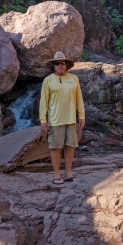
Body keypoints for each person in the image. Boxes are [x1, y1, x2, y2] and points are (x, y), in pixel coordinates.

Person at [39, 51, 85, 184]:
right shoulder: (48, 80)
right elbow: (44, 101)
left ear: (66, 65)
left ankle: (68, 173)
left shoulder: (74, 79)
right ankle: (56, 175)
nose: (60, 65)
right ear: (53, 66)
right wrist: (43, 120)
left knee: (70, 146)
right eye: (57, 63)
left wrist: (81, 115)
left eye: (62, 63)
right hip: (55, 120)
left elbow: (79, 99)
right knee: (55, 147)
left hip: (71, 119)